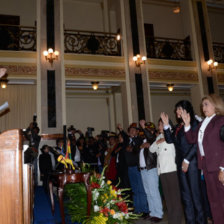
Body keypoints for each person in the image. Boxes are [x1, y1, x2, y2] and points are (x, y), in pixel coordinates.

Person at [161, 100, 205, 224]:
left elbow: (197, 143)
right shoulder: (179, 126)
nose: (176, 112)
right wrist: (165, 125)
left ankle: (201, 221)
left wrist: (187, 160)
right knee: (186, 198)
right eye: (176, 109)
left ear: (186, 109)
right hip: (180, 163)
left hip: (192, 163)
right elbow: (170, 141)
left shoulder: (195, 123)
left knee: (196, 197)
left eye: (179, 109)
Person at [182, 94, 224, 224]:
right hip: (206, 166)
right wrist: (187, 124)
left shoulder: (221, 121)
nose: (203, 107)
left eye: (206, 104)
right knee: (213, 202)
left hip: (218, 166)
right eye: (202, 105)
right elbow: (192, 139)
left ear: (215, 105)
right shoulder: (203, 123)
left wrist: (223, 167)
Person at [149, 118, 183, 224]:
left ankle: (176, 221)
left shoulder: (172, 134)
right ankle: (172, 220)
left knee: (175, 198)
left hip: (171, 169)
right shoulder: (159, 137)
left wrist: (165, 138)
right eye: (159, 124)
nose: (159, 126)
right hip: (162, 170)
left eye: (160, 124)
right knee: (168, 198)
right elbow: (151, 149)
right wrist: (158, 141)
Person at [139, 120, 163, 223]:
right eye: (145, 129)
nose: (146, 131)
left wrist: (144, 127)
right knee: (148, 193)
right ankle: (152, 212)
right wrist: (141, 146)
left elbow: (150, 137)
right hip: (143, 170)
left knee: (153, 192)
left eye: (149, 129)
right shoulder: (143, 141)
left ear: (152, 131)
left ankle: (158, 213)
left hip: (151, 168)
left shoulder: (153, 139)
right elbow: (135, 149)